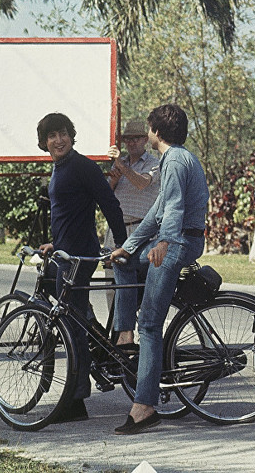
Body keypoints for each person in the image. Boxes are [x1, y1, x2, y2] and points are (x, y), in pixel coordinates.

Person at [111, 104, 208, 435]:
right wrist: (129, 246)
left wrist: (163, 243)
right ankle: (124, 335)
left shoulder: (176, 160)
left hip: (178, 242)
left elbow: (175, 207)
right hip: (173, 239)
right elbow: (156, 210)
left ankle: (144, 406)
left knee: (150, 324)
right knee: (123, 264)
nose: (147, 133)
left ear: (155, 131)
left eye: (148, 128)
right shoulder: (173, 158)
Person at [36, 112, 128, 422]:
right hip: (66, 253)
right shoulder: (60, 167)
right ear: (44, 141)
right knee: (70, 310)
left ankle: (76, 402)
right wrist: (54, 242)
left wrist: (122, 244)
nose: (57, 140)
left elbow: (109, 203)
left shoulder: (82, 166)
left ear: (71, 136)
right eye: (51, 136)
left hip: (79, 257)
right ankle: (98, 340)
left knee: (71, 327)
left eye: (62, 133)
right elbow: (67, 214)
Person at [104, 120, 160, 347]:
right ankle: (119, 338)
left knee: (138, 289)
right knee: (112, 288)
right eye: (128, 139)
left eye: (137, 138)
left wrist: (123, 168)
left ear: (146, 140)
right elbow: (106, 196)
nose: (132, 142)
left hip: (141, 230)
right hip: (116, 229)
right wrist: (114, 177)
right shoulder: (121, 164)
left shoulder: (154, 164)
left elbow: (142, 184)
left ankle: (138, 337)